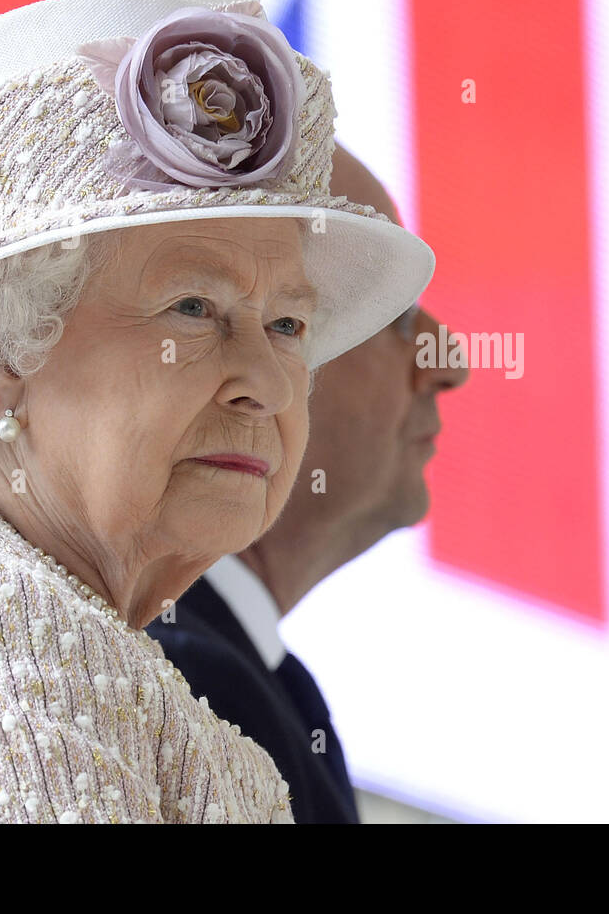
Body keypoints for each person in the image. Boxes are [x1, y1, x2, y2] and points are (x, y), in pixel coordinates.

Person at [0, 0, 434, 824]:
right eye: (194, 308)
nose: (268, 382)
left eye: (288, 323)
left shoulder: (63, 626)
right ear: (3, 345)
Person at [148, 145, 469, 822]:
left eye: (290, 323)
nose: (449, 363)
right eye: (394, 317)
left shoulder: (252, 677)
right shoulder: (176, 683)